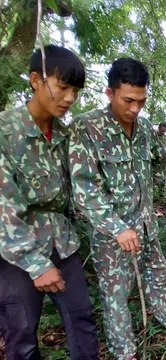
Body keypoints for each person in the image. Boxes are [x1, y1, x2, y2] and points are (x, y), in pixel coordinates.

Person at [68, 58, 166, 360]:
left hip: (145, 226)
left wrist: (151, 195)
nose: (134, 109)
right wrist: (117, 227)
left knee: (159, 278)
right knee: (115, 298)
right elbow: (84, 189)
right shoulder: (87, 127)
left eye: (141, 101)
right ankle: (125, 351)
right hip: (111, 236)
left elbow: (158, 160)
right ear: (109, 93)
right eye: (128, 100)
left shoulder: (143, 128)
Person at [0, 45, 99, 359]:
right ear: (35, 80)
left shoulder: (65, 137)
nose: (70, 98)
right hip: (16, 250)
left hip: (63, 242)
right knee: (21, 335)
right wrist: (36, 264)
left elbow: (80, 192)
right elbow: (3, 206)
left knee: (82, 319)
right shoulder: (5, 131)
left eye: (76, 91)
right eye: (63, 87)